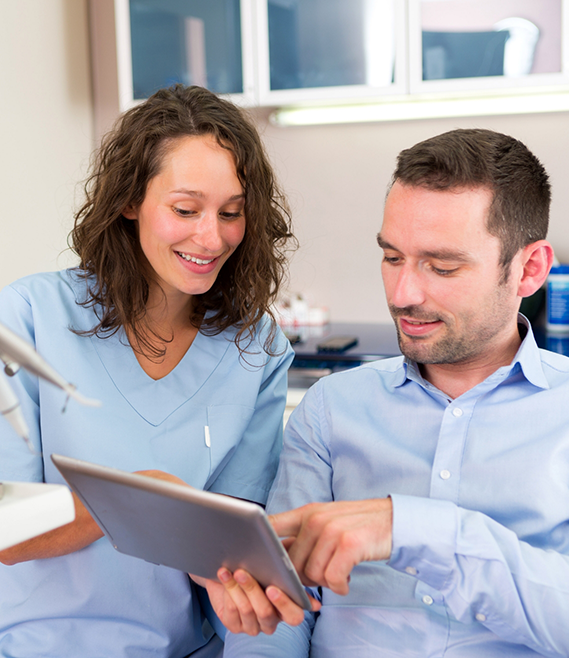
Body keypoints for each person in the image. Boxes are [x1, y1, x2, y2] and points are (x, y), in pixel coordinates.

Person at [218, 128, 569, 657]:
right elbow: (280, 609)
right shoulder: (331, 411)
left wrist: (416, 529)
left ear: (530, 269)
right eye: (392, 257)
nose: (403, 294)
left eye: (442, 266)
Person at [0, 84, 298, 657]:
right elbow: (9, 530)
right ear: (130, 199)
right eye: (185, 210)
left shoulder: (254, 346)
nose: (210, 238)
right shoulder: (28, 320)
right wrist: (148, 497)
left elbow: (236, 540)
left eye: (231, 213)